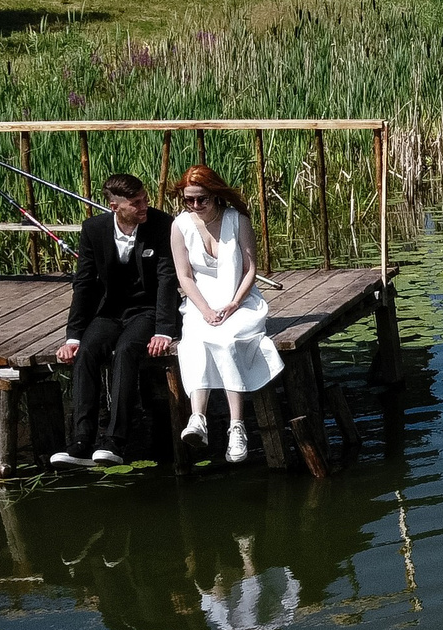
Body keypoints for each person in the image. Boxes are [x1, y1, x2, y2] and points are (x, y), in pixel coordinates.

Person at [51, 173, 179, 467]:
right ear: (114, 206)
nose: (144, 206)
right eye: (136, 203)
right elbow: (83, 283)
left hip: (147, 310)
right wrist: (73, 336)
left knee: (126, 351)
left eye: (145, 199)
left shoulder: (162, 225)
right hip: (110, 310)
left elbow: (167, 279)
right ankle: (82, 440)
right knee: (87, 353)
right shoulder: (94, 229)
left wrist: (164, 330)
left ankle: (115, 442)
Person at [170, 164, 283, 464]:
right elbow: (184, 277)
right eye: (189, 200)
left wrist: (233, 304)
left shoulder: (237, 220)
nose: (195, 205)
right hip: (200, 303)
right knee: (193, 341)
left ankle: (237, 425)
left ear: (216, 195)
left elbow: (251, 270)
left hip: (240, 300)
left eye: (201, 199)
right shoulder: (179, 226)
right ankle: (198, 418)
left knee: (229, 340)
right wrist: (204, 310)